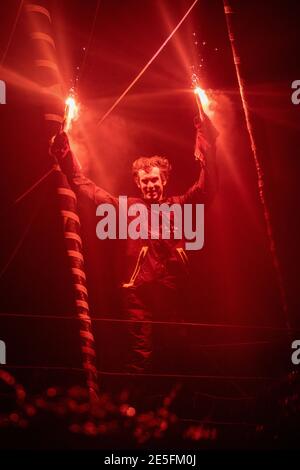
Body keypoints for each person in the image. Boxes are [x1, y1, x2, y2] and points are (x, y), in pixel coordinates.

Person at [51, 111, 218, 372]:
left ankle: (181, 403)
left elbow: (206, 188)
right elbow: (87, 188)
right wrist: (66, 157)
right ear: (138, 184)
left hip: (174, 289)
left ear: (164, 180)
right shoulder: (126, 208)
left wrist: (207, 143)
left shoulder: (179, 206)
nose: (150, 185)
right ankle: (137, 405)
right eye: (145, 181)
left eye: (154, 180)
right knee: (142, 353)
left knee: (180, 348)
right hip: (138, 290)